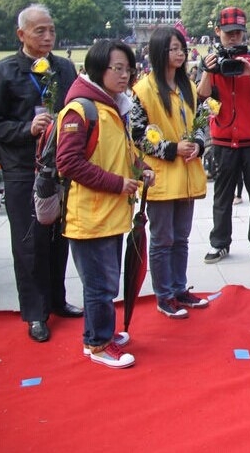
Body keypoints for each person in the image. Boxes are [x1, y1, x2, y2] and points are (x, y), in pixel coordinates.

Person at [57, 40, 154, 368]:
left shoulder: (114, 107)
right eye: (117, 68)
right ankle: (98, 343)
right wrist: (117, 183)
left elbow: (119, 154)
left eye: (128, 68)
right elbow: (68, 162)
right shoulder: (82, 110)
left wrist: (142, 169)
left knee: (106, 283)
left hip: (111, 214)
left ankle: (100, 334)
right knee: (100, 286)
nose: (125, 75)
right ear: (98, 69)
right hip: (90, 216)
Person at [0, 3, 82, 344]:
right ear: (21, 34)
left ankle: (57, 300)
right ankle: (34, 312)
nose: (47, 36)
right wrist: (27, 129)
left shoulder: (64, 68)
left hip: (60, 167)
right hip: (22, 170)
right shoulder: (3, 72)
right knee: (29, 243)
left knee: (59, 239)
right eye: (39, 31)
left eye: (51, 30)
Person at [130, 26, 209, 319]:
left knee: (182, 238)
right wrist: (172, 148)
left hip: (188, 173)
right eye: (174, 48)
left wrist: (199, 145)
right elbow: (137, 134)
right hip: (163, 176)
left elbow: (201, 122)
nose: (179, 54)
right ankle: (164, 295)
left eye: (182, 49)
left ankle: (179, 288)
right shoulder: (143, 89)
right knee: (162, 239)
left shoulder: (188, 85)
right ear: (160, 51)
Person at [196, 7, 250, 268]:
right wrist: (210, 70)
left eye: (238, 33)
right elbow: (201, 94)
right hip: (222, 139)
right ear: (218, 32)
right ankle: (219, 242)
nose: (233, 38)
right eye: (229, 33)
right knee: (222, 196)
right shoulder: (209, 61)